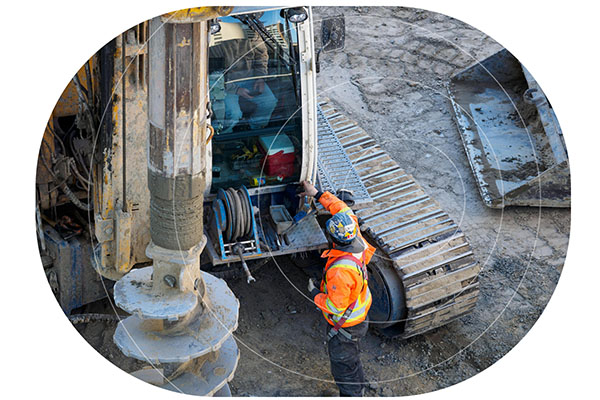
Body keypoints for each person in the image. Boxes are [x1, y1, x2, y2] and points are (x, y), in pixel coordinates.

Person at [299, 181, 376, 397]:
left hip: (346, 326)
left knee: (343, 365)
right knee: (351, 360)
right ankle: (358, 386)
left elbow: (335, 306)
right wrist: (318, 194)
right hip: (359, 314)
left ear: (332, 238)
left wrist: (315, 294)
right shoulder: (355, 236)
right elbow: (342, 209)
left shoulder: (340, 270)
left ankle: (353, 394)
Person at [209, 20, 277, 133]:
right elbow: (214, 72)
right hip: (225, 84)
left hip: (250, 79)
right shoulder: (215, 36)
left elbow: (261, 55)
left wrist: (260, 78)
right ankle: (223, 137)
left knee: (269, 102)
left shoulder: (250, 31)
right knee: (234, 113)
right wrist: (236, 90)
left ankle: (254, 130)